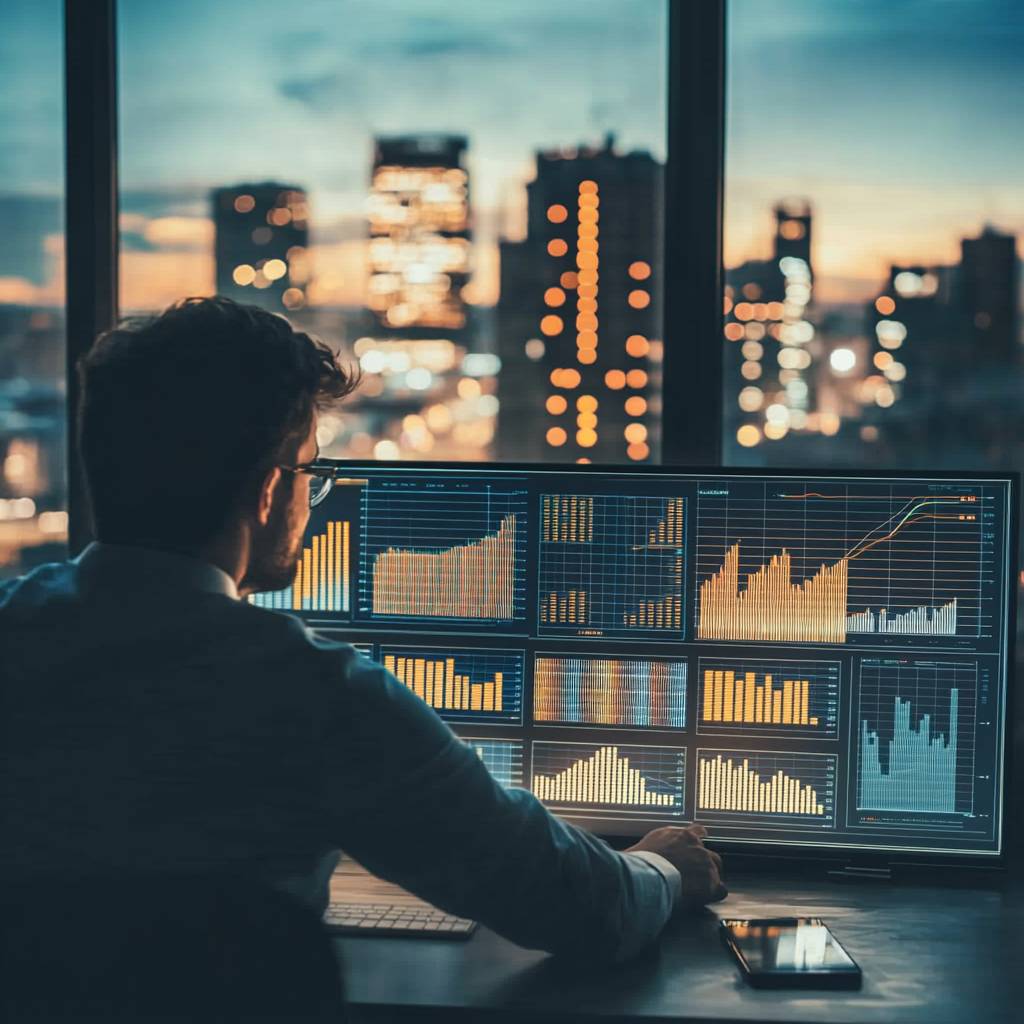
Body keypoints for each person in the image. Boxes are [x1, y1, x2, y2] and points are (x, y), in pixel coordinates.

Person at [0, 296, 726, 963]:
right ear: (265, 490)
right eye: (311, 472)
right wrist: (664, 865)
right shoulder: (317, 697)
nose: (312, 499)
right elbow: (580, 908)